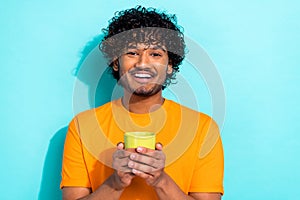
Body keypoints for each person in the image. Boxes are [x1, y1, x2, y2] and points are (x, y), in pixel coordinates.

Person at [60, 6, 224, 200]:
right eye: (132, 53)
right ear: (115, 62)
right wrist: (116, 183)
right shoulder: (82, 126)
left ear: (170, 65)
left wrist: (160, 180)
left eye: (155, 54)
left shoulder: (203, 129)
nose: (143, 64)